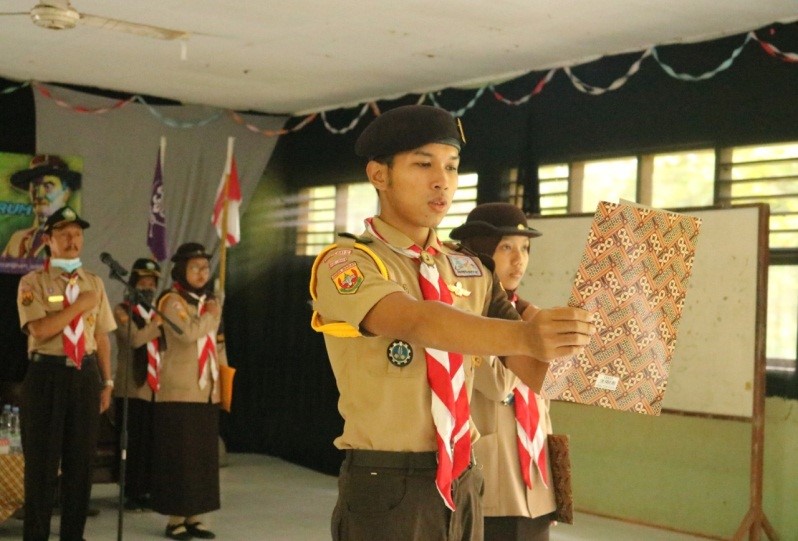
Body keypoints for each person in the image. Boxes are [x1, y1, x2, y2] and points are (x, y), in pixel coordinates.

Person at [309, 104, 595, 541]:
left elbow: (534, 370)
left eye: (452, 166)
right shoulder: (348, 263)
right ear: (379, 175)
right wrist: (527, 334)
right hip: (388, 479)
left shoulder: (472, 270)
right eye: (423, 164)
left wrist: (590, 339)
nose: (442, 180)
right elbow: (416, 320)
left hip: (465, 476)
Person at [450, 202, 556, 541]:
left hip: (536, 482)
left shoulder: (523, 312)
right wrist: (527, 330)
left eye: (525, 248)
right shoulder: (464, 316)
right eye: (506, 247)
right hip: (495, 482)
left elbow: (543, 396)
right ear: (481, 252)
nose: (519, 260)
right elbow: (498, 383)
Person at [16, 205, 116, 541]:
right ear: (48, 240)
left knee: (80, 466)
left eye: (77, 234)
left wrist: (107, 381)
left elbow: (101, 336)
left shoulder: (94, 283)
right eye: (65, 235)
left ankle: (73, 536)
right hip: (47, 376)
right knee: (41, 468)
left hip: (85, 376)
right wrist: (78, 306)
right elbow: (40, 329)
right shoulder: (33, 282)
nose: (73, 241)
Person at [151, 242, 222, 540]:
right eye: (194, 268)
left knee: (202, 458)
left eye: (205, 267)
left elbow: (216, 343)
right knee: (180, 457)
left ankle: (195, 515)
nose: (201, 273)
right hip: (179, 390)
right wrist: (212, 314)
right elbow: (188, 333)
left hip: (206, 390)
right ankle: (175, 519)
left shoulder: (206, 302)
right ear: (181, 270)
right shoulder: (172, 301)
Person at [113, 257, 164, 511]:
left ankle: (149, 489)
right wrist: (156, 326)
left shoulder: (158, 312)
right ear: (133, 282)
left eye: (152, 282)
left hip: (156, 387)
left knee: (152, 443)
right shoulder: (122, 310)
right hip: (132, 387)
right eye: (143, 281)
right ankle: (132, 491)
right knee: (133, 443)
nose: (148, 286)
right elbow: (134, 339)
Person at [2, 154, 81, 259]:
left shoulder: (71, 239)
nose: (39, 194)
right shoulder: (17, 239)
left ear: (66, 193)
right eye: (34, 186)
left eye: (48, 186)